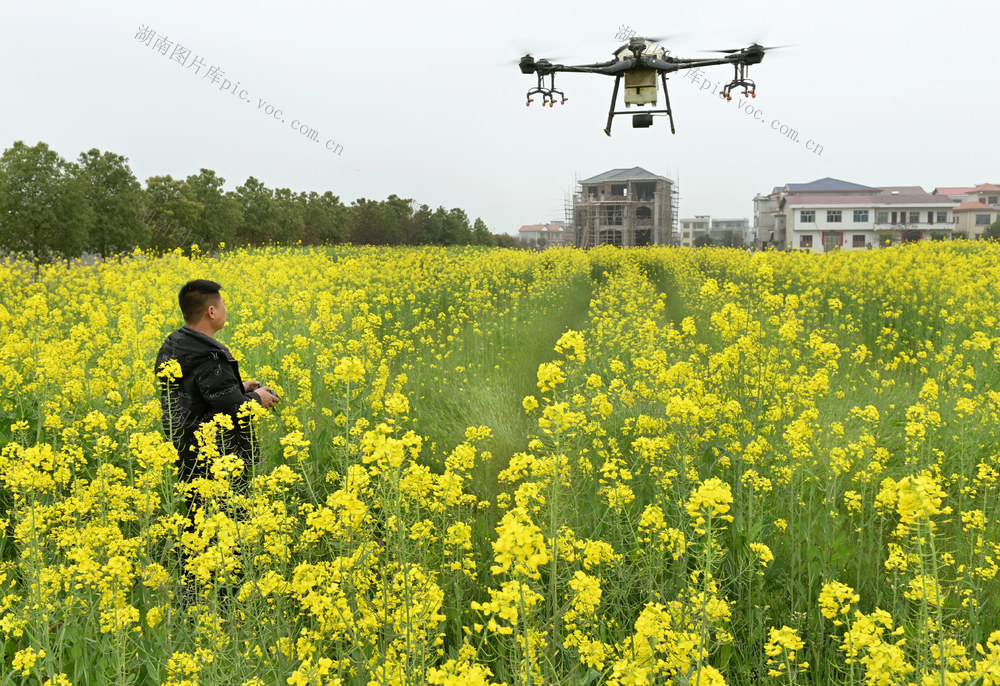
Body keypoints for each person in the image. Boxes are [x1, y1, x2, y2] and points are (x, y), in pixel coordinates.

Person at [155, 279, 279, 485]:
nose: (226, 309)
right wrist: (259, 398)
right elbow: (234, 409)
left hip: (189, 454)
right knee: (230, 514)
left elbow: (197, 394)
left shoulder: (177, 345)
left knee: (198, 512)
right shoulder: (209, 358)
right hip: (219, 460)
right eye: (224, 304)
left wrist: (237, 388)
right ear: (211, 311)